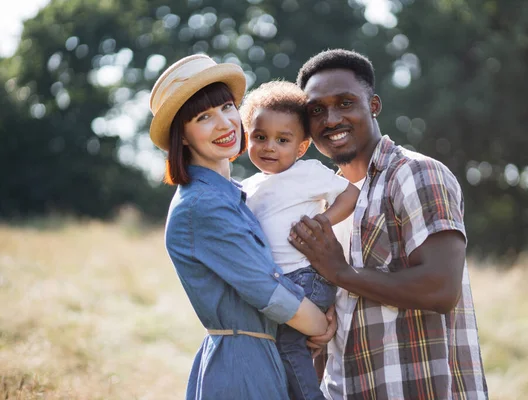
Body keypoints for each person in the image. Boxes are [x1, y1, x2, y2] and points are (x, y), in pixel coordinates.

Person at [289, 49, 489, 399]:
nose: (331, 119)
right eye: (316, 110)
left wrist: (340, 272)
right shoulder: (324, 205)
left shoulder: (414, 173)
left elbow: (440, 290)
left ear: (375, 106)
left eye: (345, 103)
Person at [148, 54, 328, 400]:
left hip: (267, 355)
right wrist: (321, 325)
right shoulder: (202, 205)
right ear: (182, 137)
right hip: (241, 368)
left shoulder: (236, 195)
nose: (224, 124)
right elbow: (265, 289)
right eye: (204, 117)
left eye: (227, 108)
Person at [239, 80, 360, 400]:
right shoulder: (248, 187)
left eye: (282, 140)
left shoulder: (308, 172)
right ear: (247, 137)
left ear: (301, 147)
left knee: (288, 345)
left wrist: (324, 220)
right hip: (278, 282)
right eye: (260, 137)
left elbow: (351, 193)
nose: (269, 147)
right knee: (277, 349)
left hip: (307, 278)